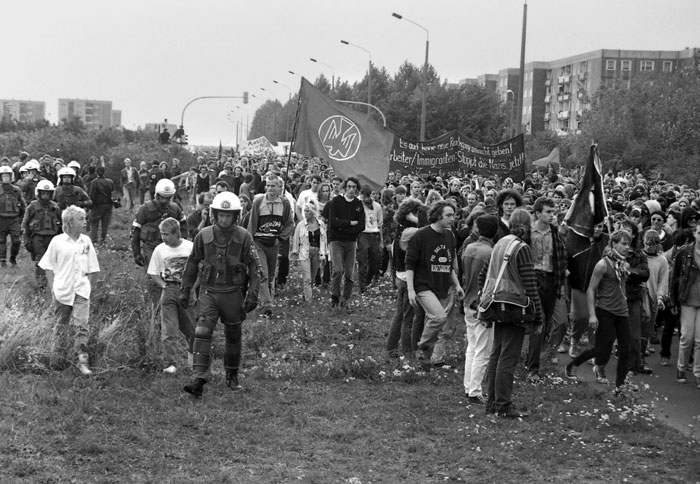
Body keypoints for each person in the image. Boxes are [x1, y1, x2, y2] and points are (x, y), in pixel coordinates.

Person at [181, 192, 260, 396]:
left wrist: (253, 293)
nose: (225, 219)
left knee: (233, 334)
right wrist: (185, 289)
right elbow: (192, 263)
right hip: (209, 291)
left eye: (229, 215)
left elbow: (254, 267)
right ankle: (199, 378)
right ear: (215, 214)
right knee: (202, 331)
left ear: (236, 216)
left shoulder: (244, 237)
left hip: (233, 293)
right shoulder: (203, 235)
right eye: (221, 215)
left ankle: (232, 375)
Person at [480, 208, 542, 418]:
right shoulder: (522, 248)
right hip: (516, 307)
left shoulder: (501, 242)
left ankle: (492, 402)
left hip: (498, 304)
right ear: (528, 225)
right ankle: (504, 405)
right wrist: (538, 314)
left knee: (497, 354)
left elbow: (484, 273)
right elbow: (530, 284)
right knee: (508, 357)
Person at [565, 230, 636, 396]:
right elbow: (591, 289)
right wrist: (592, 315)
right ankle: (573, 364)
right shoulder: (602, 265)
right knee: (602, 350)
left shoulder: (624, 264)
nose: (627, 247)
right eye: (623, 244)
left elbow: (622, 287)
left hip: (622, 312)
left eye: (628, 244)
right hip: (605, 311)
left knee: (626, 349)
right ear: (613, 244)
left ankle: (619, 387)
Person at [38, 205, 100, 375]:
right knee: (60, 325)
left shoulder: (86, 242)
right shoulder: (57, 242)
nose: (85, 222)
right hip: (62, 291)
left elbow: (94, 268)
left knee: (81, 326)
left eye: (85, 219)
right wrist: (53, 289)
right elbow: (48, 266)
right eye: (81, 219)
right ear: (70, 222)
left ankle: (82, 362)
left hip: (81, 291)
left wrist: (88, 286)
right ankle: (57, 357)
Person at [406, 200, 465, 367]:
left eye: (453, 215)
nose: (453, 218)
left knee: (437, 325)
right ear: (438, 216)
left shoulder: (450, 236)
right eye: (448, 215)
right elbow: (409, 264)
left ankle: (425, 361)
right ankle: (422, 345)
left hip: (443, 285)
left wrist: (457, 285)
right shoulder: (421, 235)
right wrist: (411, 290)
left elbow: (449, 266)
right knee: (439, 317)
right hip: (423, 285)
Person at [525, 197, 567, 382]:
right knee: (538, 322)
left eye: (553, 212)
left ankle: (534, 357)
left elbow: (561, 255)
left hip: (551, 279)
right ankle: (532, 368)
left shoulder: (555, 233)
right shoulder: (527, 233)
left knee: (548, 321)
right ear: (537, 213)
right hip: (533, 278)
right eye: (548, 212)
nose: (552, 215)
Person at [147, 217, 195, 374]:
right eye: (161, 234)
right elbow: (153, 272)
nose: (163, 237)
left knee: (192, 329)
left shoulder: (190, 247)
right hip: (169, 290)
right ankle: (170, 364)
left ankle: (193, 358)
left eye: (166, 234)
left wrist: (193, 287)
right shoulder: (160, 249)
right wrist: (163, 285)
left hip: (187, 291)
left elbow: (201, 270)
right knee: (168, 330)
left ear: (176, 233)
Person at [461, 214, 498, 404]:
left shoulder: (469, 247)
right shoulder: (491, 252)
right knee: (483, 351)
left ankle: (469, 386)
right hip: (482, 304)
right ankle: (475, 391)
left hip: (468, 301)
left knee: (472, 347)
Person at [246, 174, 294, 318]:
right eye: (268, 185)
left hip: (274, 243)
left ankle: (265, 302)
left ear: (280, 187)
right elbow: (252, 222)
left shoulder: (284, 203)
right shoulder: (259, 201)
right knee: (263, 274)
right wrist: (250, 243)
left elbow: (290, 224)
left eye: (274, 185)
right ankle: (267, 306)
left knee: (271, 275)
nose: (270, 188)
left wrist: (281, 238)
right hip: (259, 242)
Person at [323, 177, 365, 309]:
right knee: (338, 270)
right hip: (336, 241)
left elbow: (361, 225)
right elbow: (333, 222)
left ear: (357, 189)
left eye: (354, 187)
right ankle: (335, 296)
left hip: (351, 241)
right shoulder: (336, 201)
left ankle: (345, 299)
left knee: (349, 272)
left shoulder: (358, 204)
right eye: (349, 187)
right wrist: (350, 223)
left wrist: (343, 226)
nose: (351, 189)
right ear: (345, 188)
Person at [132, 178, 186, 270]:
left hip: (171, 247)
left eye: (167, 198)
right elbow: (135, 232)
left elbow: (184, 227)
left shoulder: (175, 208)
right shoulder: (144, 209)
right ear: (156, 195)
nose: (164, 201)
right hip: (151, 248)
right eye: (162, 197)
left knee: (172, 275)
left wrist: (181, 246)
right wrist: (136, 253)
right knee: (153, 274)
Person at [670, 222, 700, 387]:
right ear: (695, 234)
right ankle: (681, 367)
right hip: (687, 300)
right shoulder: (685, 252)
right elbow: (674, 278)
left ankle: (698, 373)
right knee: (686, 338)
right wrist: (673, 300)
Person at [22, 180, 62, 288]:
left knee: (53, 261)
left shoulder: (55, 207)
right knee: (40, 260)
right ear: (38, 193)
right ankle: (41, 286)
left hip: (53, 237)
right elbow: (25, 224)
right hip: (37, 237)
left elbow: (61, 224)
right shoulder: (32, 206)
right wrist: (26, 240)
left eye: (47, 193)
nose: (45, 196)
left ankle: (54, 284)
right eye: (43, 193)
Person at [291, 201, 327, 303]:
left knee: (312, 277)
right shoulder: (301, 225)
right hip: (304, 252)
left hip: (316, 252)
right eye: (304, 211)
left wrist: (324, 255)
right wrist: (295, 254)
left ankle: (305, 294)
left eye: (308, 211)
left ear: (313, 212)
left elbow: (324, 240)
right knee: (307, 278)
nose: (306, 213)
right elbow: (296, 240)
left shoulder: (321, 224)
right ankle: (309, 301)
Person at [357, 186, 383, 292]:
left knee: (374, 262)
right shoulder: (358, 205)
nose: (367, 199)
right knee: (363, 261)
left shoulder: (377, 206)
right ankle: (362, 286)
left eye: (368, 196)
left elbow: (380, 224)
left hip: (374, 234)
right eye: (364, 196)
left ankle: (367, 281)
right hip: (363, 234)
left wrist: (381, 240)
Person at [0, 166, 26, 268]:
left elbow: (23, 204)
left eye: (7, 176)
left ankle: (13, 258)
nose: (6, 178)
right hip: (1, 219)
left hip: (14, 219)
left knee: (16, 241)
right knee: (1, 241)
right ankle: (2, 261)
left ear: (11, 177)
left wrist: (22, 219)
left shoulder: (16, 190)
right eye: (3, 176)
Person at [88, 166, 114, 244]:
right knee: (105, 223)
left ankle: (94, 240)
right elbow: (114, 194)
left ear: (96, 173)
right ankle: (103, 239)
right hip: (108, 205)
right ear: (104, 172)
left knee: (94, 223)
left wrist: (91, 206)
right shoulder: (110, 182)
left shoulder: (94, 182)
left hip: (98, 205)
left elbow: (92, 195)